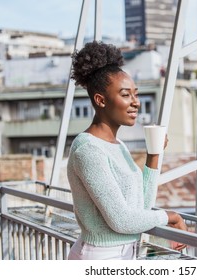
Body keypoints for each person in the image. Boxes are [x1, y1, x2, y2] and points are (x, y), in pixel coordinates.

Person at [66, 41, 187, 260]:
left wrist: (154, 154)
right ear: (100, 100)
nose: (136, 103)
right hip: (100, 256)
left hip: (126, 254)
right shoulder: (88, 150)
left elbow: (142, 206)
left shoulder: (117, 145)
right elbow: (121, 221)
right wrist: (170, 216)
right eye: (125, 95)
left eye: (136, 94)